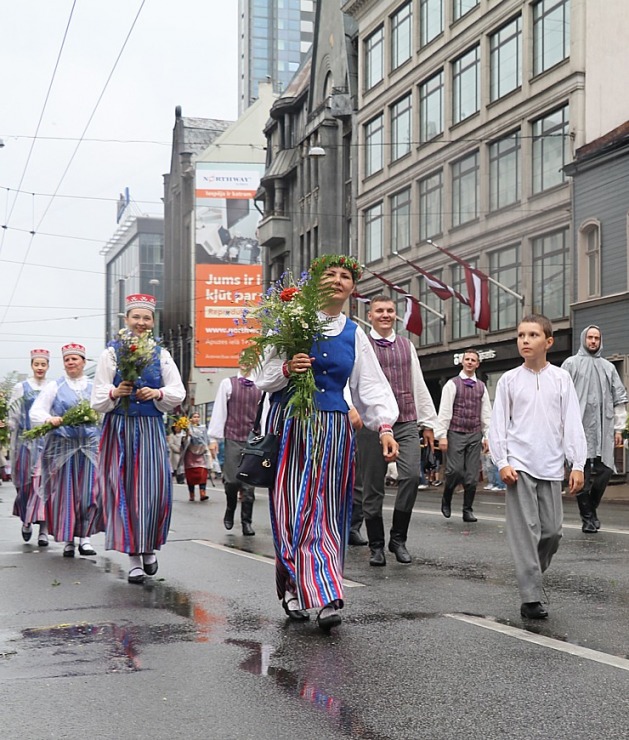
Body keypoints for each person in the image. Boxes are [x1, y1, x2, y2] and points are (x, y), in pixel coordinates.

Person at [255, 256, 399, 631]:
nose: (338, 280)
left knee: (328, 509)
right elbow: (262, 378)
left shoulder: (355, 333)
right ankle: (292, 585)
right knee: (292, 508)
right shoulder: (290, 323)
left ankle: (327, 593)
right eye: (330, 275)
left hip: (334, 428)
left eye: (346, 276)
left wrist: (384, 427)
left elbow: (369, 386)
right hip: (291, 425)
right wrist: (288, 369)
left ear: (353, 288)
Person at [488, 315, 586, 620]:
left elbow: (571, 422)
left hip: (552, 465)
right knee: (525, 532)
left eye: (532, 335)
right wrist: (502, 462)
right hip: (519, 465)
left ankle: (530, 575)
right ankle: (530, 596)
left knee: (552, 533)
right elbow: (498, 424)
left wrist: (578, 463)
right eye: (520, 335)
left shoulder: (561, 379)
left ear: (548, 341)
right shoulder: (509, 380)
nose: (525, 340)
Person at [91, 294, 186, 584]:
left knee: (154, 490)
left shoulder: (162, 354)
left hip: (150, 427)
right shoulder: (111, 353)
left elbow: (177, 391)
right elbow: (97, 395)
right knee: (126, 491)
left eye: (146, 318)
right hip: (120, 428)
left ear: (152, 322)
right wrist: (114, 392)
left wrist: (157, 393)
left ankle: (149, 548)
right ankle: (133, 557)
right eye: (136, 317)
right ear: (127, 320)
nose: (141, 323)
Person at [357, 295, 437, 567]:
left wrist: (427, 422)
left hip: (405, 420)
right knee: (372, 486)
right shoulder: (361, 344)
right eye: (379, 310)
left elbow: (418, 382)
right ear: (369, 315)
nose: (385, 315)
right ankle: (377, 546)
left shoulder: (406, 345)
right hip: (371, 424)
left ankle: (398, 539)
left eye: (390, 310)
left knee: (412, 476)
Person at [30, 343, 102, 557]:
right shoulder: (55, 386)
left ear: (83, 362)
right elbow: (37, 411)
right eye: (67, 360)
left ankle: (86, 538)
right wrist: (49, 418)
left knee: (90, 492)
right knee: (65, 493)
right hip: (63, 447)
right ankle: (68, 540)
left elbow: (105, 410)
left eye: (75, 359)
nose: (71, 363)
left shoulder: (93, 386)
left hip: (89, 446)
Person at [561, 326, 628, 533]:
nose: (593, 341)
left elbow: (619, 399)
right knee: (582, 472)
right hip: (578, 426)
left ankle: (590, 507)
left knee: (606, 470)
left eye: (596, 338)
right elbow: (559, 395)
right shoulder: (570, 364)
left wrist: (619, 429)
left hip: (603, 428)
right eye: (590, 337)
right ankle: (588, 518)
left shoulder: (608, 367)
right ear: (583, 339)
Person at [436, 349, 492, 522]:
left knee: (472, 476)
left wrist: (487, 436)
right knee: (454, 471)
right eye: (466, 359)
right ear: (462, 362)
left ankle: (467, 510)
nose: (469, 362)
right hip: (455, 432)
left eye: (473, 360)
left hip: (474, 433)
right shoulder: (452, 385)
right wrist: (442, 435)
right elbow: (444, 411)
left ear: (477, 364)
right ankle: (447, 498)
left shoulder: (482, 387)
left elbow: (486, 415)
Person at [208, 361, 262, 536]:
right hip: (232, 437)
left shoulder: (261, 385)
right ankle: (230, 507)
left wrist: (267, 436)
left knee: (249, 483)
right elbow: (220, 411)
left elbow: (265, 411)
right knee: (231, 480)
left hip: (253, 439)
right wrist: (214, 438)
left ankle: (247, 522)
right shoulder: (227, 383)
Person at [9, 349, 51, 546]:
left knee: (45, 485)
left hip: (47, 442)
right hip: (26, 443)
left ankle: (43, 529)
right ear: (32, 365)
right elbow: (14, 416)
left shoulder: (52, 387)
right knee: (26, 485)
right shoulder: (21, 387)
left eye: (43, 364)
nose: (40, 368)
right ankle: (26, 520)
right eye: (37, 364)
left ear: (48, 366)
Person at [179, 412, 211, 502]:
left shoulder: (203, 428)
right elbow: (182, 442)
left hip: (201, 453)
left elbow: (206, 440)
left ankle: (202, 493)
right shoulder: (186, 428)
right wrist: (187, 435)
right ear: (191, 418)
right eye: (194, 417)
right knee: (191, 475)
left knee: (202, 473)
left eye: (198, 417)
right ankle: (191, 494)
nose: (196, 418)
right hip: (190, 454)